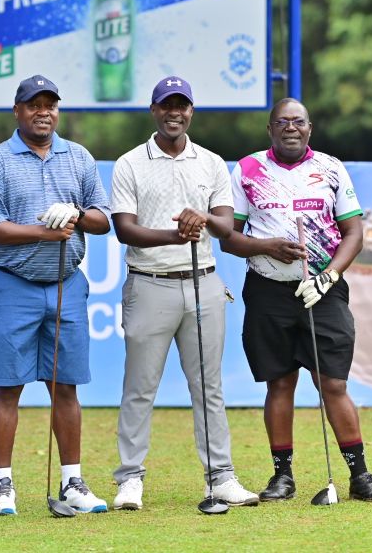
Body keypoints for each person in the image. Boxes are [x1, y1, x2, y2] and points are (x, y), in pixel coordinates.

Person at [220, 98, 372, 502]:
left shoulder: (330, 168)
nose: (290, 128)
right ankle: (282, 476)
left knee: (332, 381)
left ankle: (359, 474)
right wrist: (267, 247)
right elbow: (229, 238)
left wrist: (329, 275)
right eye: (282, 122)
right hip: (267, 289)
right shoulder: (247, 170)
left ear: (309, 128)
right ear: (270, 129)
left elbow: (354, 233)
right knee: (279, 383)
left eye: (298, 122)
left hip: (323, 290)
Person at [109, 76, 258, 510]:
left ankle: (221, 477)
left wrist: (204, 220)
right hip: (149, 284)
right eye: (166, 105)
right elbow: (125, 229)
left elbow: (228, 226)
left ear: (191, 111)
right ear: (154, 110)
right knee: (139, 388)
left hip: (203, 283)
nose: (175, 112)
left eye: (183, 106)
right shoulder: (130, 163)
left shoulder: (210, 162)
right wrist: (176, 236)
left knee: (208, 386)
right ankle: (130, 479)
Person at [0, 75, 112, 515]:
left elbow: (103, 218)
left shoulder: (78, 157)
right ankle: (3, 486)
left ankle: (72, 481)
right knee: (7, 386)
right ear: (18, 111)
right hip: (12, 284)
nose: (43, 112)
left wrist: (77, 213)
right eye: (34, 105)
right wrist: (43, 231)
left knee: (66, 386)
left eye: (50, 104)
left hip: (66, 284)